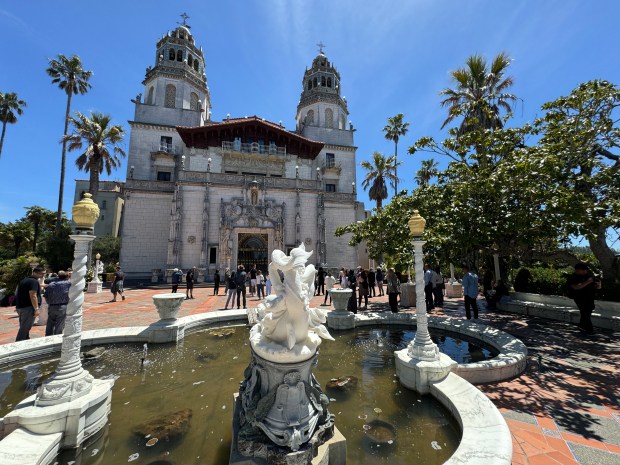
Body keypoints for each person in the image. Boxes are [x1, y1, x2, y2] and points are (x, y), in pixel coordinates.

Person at [15, 266, 45, 341]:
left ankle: (25, 340)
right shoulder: (33, 281)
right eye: (41, 274)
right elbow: (33, 295)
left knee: (24, 326)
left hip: (21, 306)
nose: (43, 276)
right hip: (28, 308)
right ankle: (19, 343)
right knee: (25, 328)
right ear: (34, 273)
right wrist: (36, 309)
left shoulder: (24, 280)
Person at [567, 263, 598, 335]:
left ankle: (582, 325)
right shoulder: (573, 277)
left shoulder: (590, 277)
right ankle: (590, 329)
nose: (576, 271)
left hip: (590, 297)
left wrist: (598, 284)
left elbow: (597, 288)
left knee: (587, 311)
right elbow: (576, 287)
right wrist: (588, 282)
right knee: (585, 311)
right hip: (579, 297)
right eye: (577, 270)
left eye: (578, 269)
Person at [44, 270, 71, 336]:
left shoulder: (51, 285)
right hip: (62, 306)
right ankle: (57, 338)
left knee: (50, 323)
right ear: (67, 276)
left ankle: (48, 337)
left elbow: (46, 296)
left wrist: (49, 303)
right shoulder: (68, 284)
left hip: (52, 306)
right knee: (60, 324)